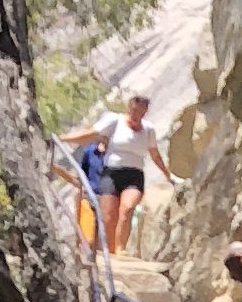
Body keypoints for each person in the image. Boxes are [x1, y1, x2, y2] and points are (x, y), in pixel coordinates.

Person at [72, 92, 175, 256]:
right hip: (111, 173)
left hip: (134, 175)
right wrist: (63, 139)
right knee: (108, 216)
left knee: (127, 209)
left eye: (141, 112)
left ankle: (120, 248)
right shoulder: (115, 121)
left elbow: (155, 154)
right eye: (135, 110)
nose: (137, 115)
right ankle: (110, 251)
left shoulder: (148, 129)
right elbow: (90, 134)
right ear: (130, 107)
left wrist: (167, 174)